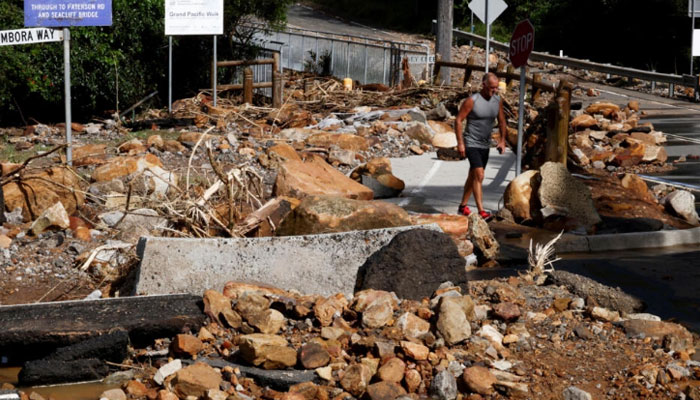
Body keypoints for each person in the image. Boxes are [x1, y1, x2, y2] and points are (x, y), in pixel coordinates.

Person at [454, 72, 507, 221]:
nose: (494, 91)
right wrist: (460, 143)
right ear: (484, 85)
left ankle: (463, 206)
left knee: (473, 175)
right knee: (480, 175)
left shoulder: (497, 101)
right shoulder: (472, 101)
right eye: (491, 88)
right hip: (471, 142)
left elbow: (502, 121)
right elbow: (458, 121)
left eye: (496, 88)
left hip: (485, 144)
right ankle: (482, 211)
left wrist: (502, 141)